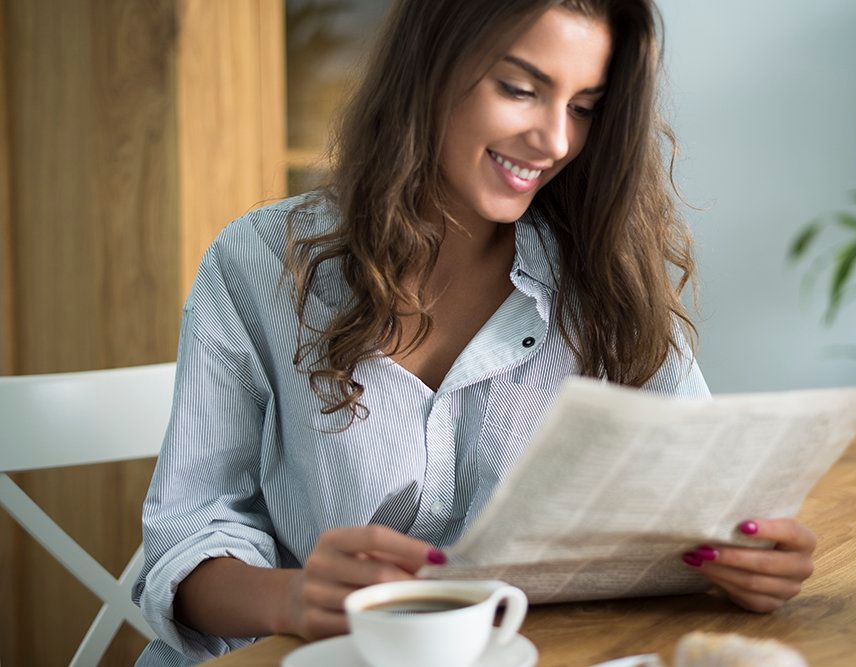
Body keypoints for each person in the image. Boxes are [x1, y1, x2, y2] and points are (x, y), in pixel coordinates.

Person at [132, 0, 816, 664]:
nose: (555, 141)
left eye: (583, 108)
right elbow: (186, 537)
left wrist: (747, 559)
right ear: (431, 66)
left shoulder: (606, 284)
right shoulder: (255, 263)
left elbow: (708, 494)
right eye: (521, 89)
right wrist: (290, 595)